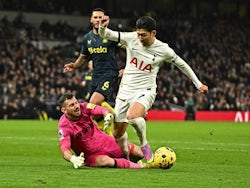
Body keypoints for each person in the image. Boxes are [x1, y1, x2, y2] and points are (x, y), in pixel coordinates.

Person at [98, 15, 208, 162]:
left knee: (133, 116)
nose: (140, 38)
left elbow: (182, 65)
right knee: (117, 133)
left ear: (153, 33)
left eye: (143, 35)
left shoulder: (163, 50)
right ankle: (126, 155)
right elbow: (107, 34)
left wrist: (198, 84)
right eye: (138, 34)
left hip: (146, 90)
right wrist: (102, 27)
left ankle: (144, 144)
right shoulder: (131, 38)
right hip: (125, 90)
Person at [63, 8, 122, 135]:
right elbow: (83, 57)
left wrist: (127, 69)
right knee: (93, 108)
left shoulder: (111, 35)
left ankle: (101, 132)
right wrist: (74, 65)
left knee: (93, 103)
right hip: (96, 75)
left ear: (105, 19)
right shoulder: (87, 38)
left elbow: (129, 47)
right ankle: (110, 115)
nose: (98, 20)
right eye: (95, 17)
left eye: (101, 17)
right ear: (91, 20)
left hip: (110, 74)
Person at [57, 93, 152, 169]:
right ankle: (140, 166)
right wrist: (72, 158)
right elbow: (65, 149)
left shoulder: (84, 107)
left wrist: (107, 114)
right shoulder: (64, 126)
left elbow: (100, 109)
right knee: (106, 161)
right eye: (72, 105)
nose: (77, 106)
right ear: (64, 110)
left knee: (139, 154)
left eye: (76, 102)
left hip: (106, 142)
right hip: (90, 155)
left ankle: (141, 161)